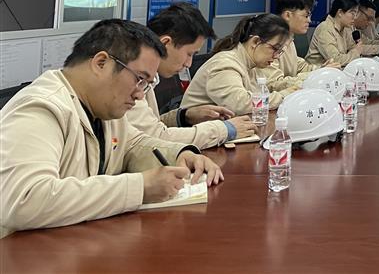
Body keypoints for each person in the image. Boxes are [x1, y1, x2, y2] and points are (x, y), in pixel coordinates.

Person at [0, 20, 223, 237]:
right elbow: (26, 200)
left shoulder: (103, 107)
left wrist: (180, 155)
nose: (140, 94)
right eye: (139, 79)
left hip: (74, 243)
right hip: (23, 252)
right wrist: (140, 187)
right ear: (101, 63)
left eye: (146, 85)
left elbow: (133, 145)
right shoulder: (41, 108)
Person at [127, 2, 256, 148]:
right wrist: (225, 130)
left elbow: (149, 126)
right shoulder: (132, 78)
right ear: (165, 43)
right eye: (189, 54)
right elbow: (155, 138)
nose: (189, 64)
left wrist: (184, 116)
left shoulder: (148, 76)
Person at [181, 14, 299, 115]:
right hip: (197, 131)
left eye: (280, 52)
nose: (277, 56)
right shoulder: (225, 64)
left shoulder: (252, 65)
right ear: (255, 41)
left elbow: (265, 91)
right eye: (275, 49)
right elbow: (240, 104)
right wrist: (283, 96)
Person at [255, 0, 326, 87]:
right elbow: (273, 83)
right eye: (306, 16)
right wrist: (312, 76)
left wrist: (322, 70)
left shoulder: (288, 37)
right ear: (287, 15)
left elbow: (298, 65)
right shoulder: (269, 41)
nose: (309, 20)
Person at [307, 0, 378, 67]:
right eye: (352, 13)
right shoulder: (325, 28)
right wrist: (355, 53)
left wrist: (356, 50)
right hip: (318, 71)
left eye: (356, 14)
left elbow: (352, 47)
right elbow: (335, 60)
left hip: (337, 70)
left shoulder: (345, 28)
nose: (355, 17)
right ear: (340, 12)